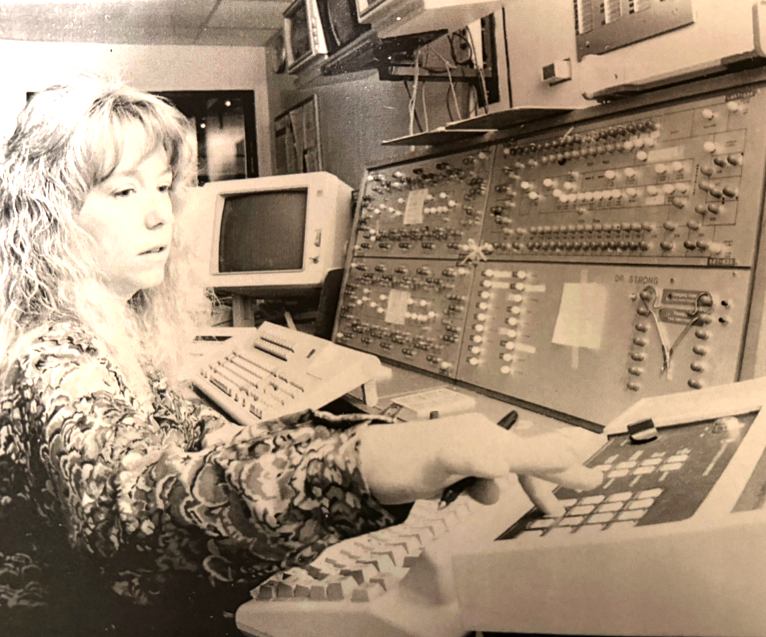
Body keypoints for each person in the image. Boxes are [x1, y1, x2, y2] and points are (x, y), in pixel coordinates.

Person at [0, 73, 602, 637]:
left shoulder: (119, 326)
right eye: (125, 191)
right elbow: (137, 505)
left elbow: (199, 436)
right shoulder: (54, 359)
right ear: (51, 218)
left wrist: (392, 439)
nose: (160, 213)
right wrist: (365, 460)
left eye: (162, 188)